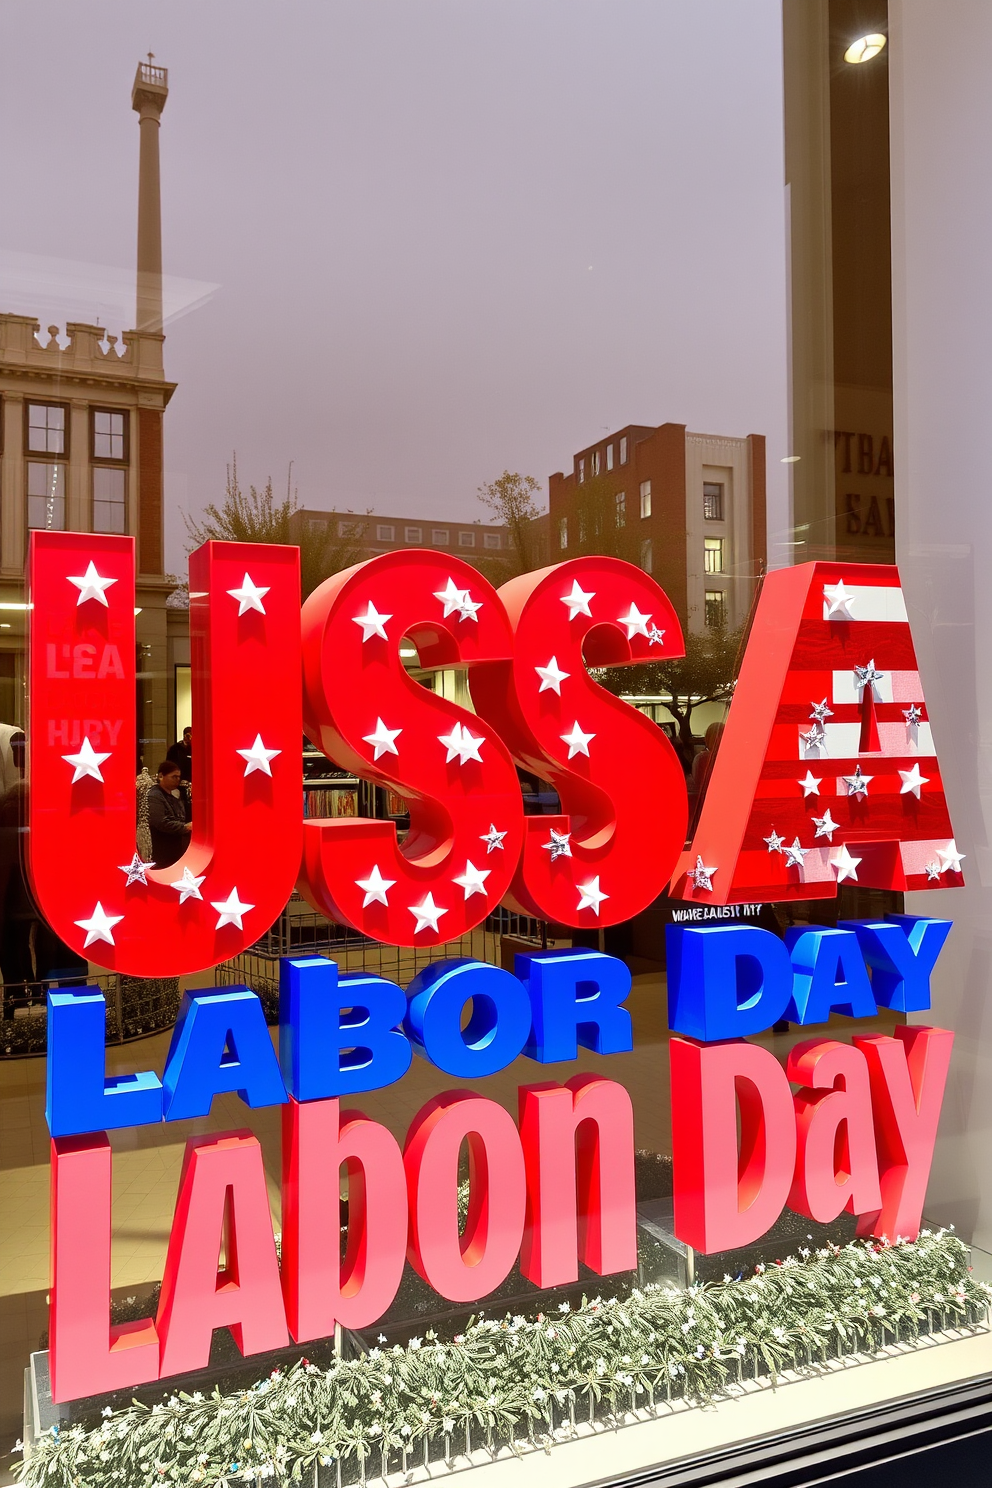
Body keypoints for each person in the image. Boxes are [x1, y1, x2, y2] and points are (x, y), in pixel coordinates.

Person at [147, 760, 192, 868]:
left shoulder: (173, 795)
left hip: (175, 848)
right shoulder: (154, 796)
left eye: (179, 777)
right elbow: (160, 822)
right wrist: (185, 827)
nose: (178, 780)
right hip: (163, 850)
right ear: (161, 776)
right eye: (174, 777)